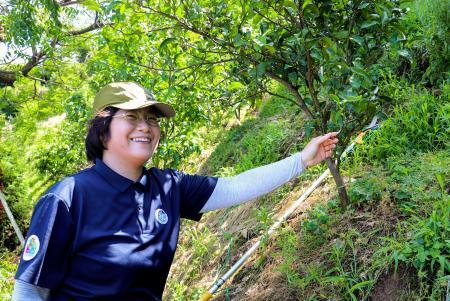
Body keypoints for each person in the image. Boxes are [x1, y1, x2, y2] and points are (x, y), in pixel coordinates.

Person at [12, 82, 338, 301]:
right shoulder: (67, 198)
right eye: (131, 117)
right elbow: (28, 289)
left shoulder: (168, 186)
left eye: (151, 119)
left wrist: (301, 161)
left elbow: (234, 187)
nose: (145, 127)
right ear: (102, 131)